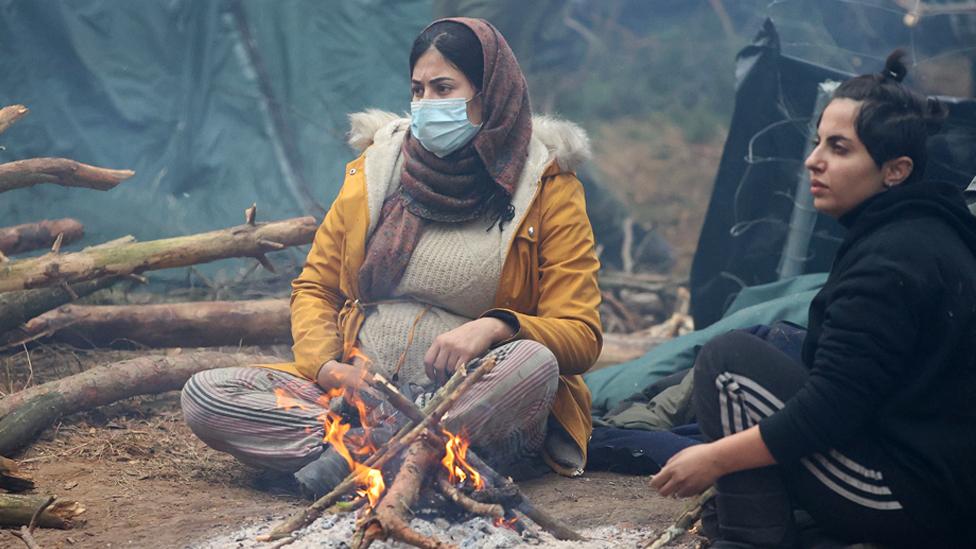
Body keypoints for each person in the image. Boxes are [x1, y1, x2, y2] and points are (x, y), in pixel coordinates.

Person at [180, 17, 602, 497]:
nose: (425, 105)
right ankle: (398, 454)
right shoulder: (377, 170)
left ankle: (358, 458)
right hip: (356, 398)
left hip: (474, 399)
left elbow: (581, 334)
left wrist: (497, 326)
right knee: (206, 394)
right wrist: (328, 369)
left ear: (491, 92)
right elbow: (316, 288)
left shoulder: (547, 187)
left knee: (533, 361)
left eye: (444, 88)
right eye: (417, 90)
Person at [650, 50, 976, 548]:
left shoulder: (892, 260)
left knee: (728, 364)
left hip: (910, 496)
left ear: (896, 170)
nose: (813, 160)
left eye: (839, 148)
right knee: (775, 342)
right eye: (818, 141)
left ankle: (751, 538)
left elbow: (831, 411)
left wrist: (714, 458)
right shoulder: (921, 229)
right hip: (943, 480)